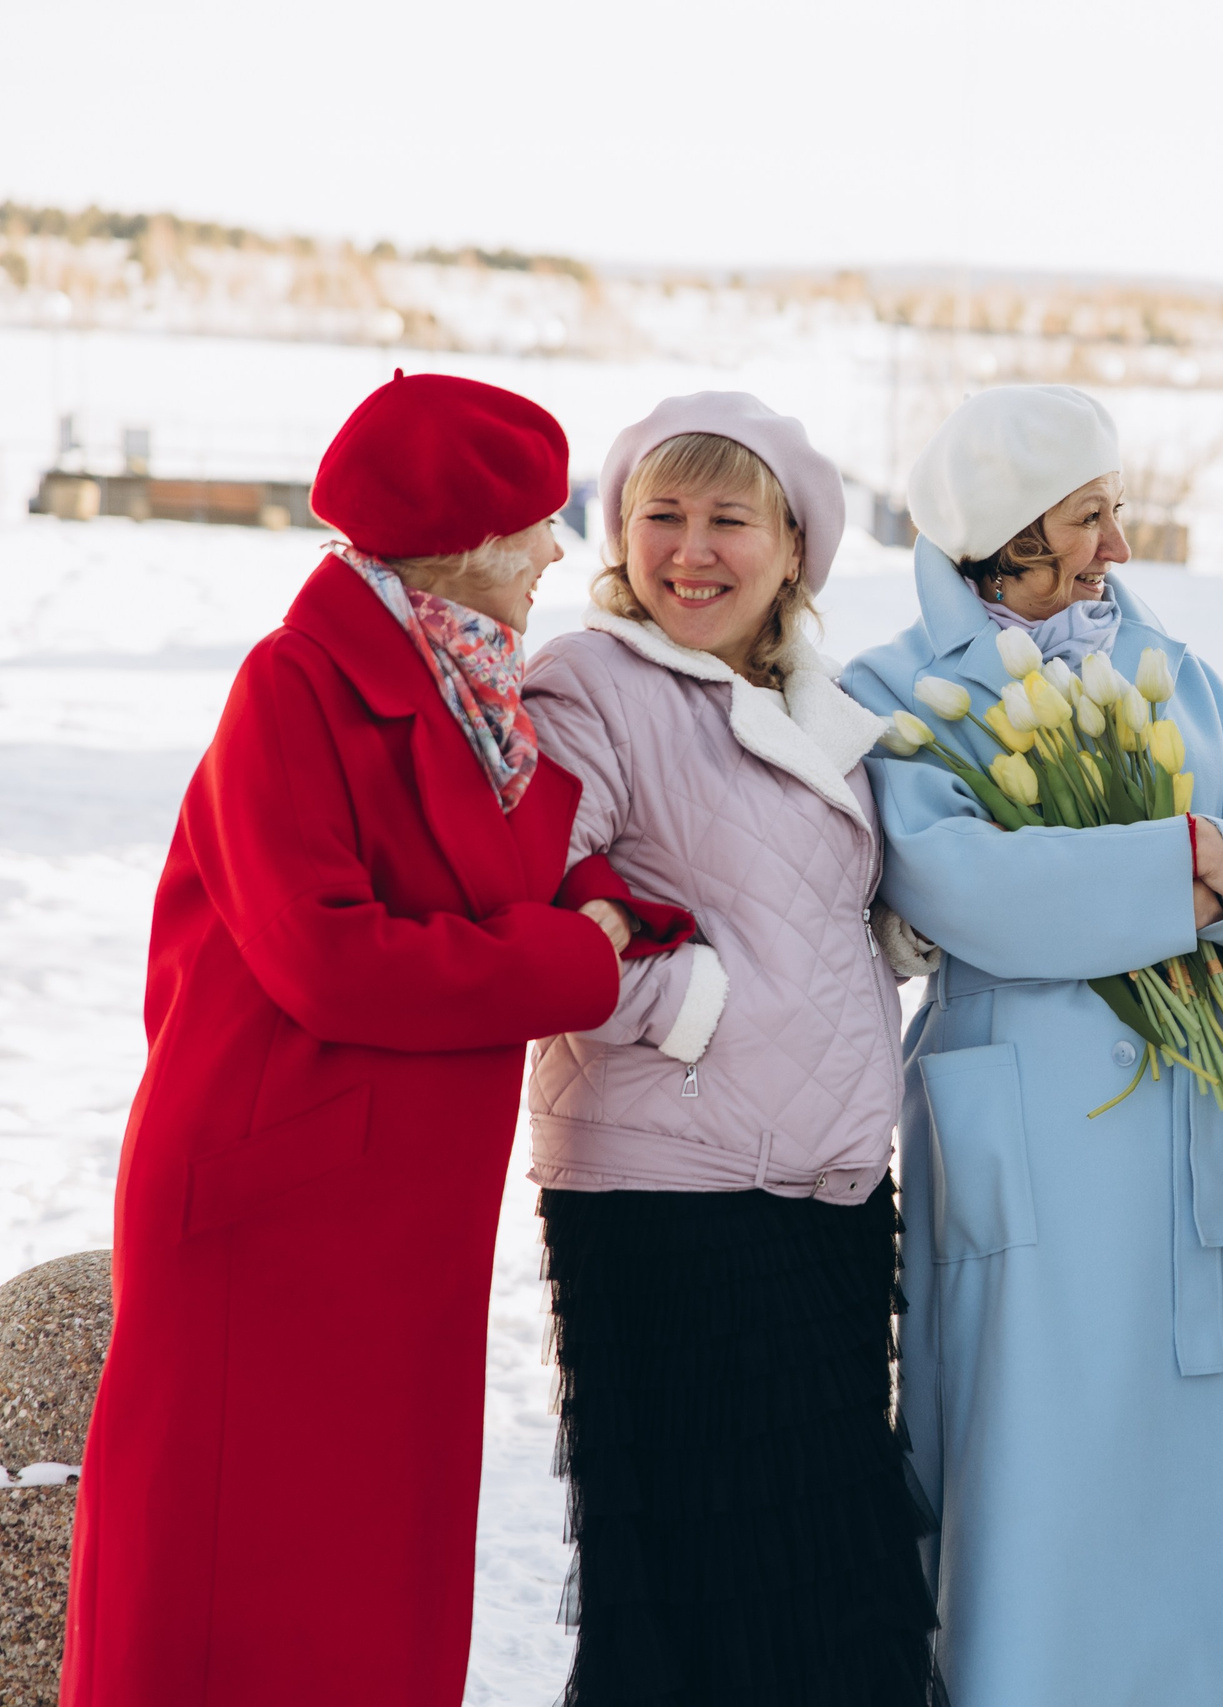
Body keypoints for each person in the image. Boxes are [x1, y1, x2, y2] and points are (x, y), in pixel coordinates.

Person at [64, 374, 630, 1707]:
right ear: (476, 543)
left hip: (383, 1218)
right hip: (269, 1217)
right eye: (539, 525)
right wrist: (578, 958)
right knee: (220, 1596)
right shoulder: (297, 685)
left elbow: (512, 882)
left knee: (361, 1587)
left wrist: (618, 920)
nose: (558, 552)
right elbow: (327, 953)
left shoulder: (477, 693)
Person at [840, 385, 1223, 1707]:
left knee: (1199, 1431)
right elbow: (955, 877)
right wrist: (1185, 864)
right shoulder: (896, 689)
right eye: (1091, 515)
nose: (1119, 546)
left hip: (1212, 1102)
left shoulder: (1177, 664)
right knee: (1045, 1430)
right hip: (1034, 1112)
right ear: (1011, 526)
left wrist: (1210, 865)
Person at [518, 392, 941, 1706]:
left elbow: (800, 897)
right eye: (662, 515)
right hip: (667, 1191)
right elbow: (530, 901)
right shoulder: (590, 681)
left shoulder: (820, 704)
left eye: (727, 518)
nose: (691, 549)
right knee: (704, 1586)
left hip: (817, 1190)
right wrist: (688, 1000)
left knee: (826, 1575)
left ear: (796, 544)